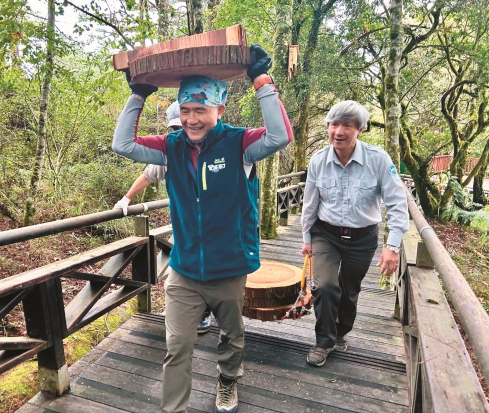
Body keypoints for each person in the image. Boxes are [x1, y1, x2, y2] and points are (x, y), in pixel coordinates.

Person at [112, 44, 292, 413]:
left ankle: (228, 381)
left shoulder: (239, 143)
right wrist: (138, 93)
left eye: (201, 110)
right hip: (184, 269)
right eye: (186, 111)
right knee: (176, 346)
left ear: (219, 110)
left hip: (229, 268)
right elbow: (123, 144)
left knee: (232, 337)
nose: (192, 119)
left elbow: (279, 136)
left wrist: (261, 80)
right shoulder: (170, 146)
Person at [300, 100, 408, 367]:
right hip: (326, 234)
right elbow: (310, 202)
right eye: (334, 124)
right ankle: (323, 342)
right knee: (324, 286)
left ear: (359, 129)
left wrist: (392, 246)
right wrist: (306, 238)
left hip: (362, 238)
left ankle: (340, 333)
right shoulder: (318, 161)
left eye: (347, 125)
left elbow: (397, 202)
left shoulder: (378, 160)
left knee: (349, 291)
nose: (338, 131)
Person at [113, 101, 213, 334]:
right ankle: (187, 313)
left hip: (213, 223)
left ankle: (205, 312)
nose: (182, 132)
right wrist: (126, 199)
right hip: (185, 225)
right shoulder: (169, 154)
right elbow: (148, 175)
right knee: (182, 272)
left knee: (208, 270)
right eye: (176, 128)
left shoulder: (215, 149)